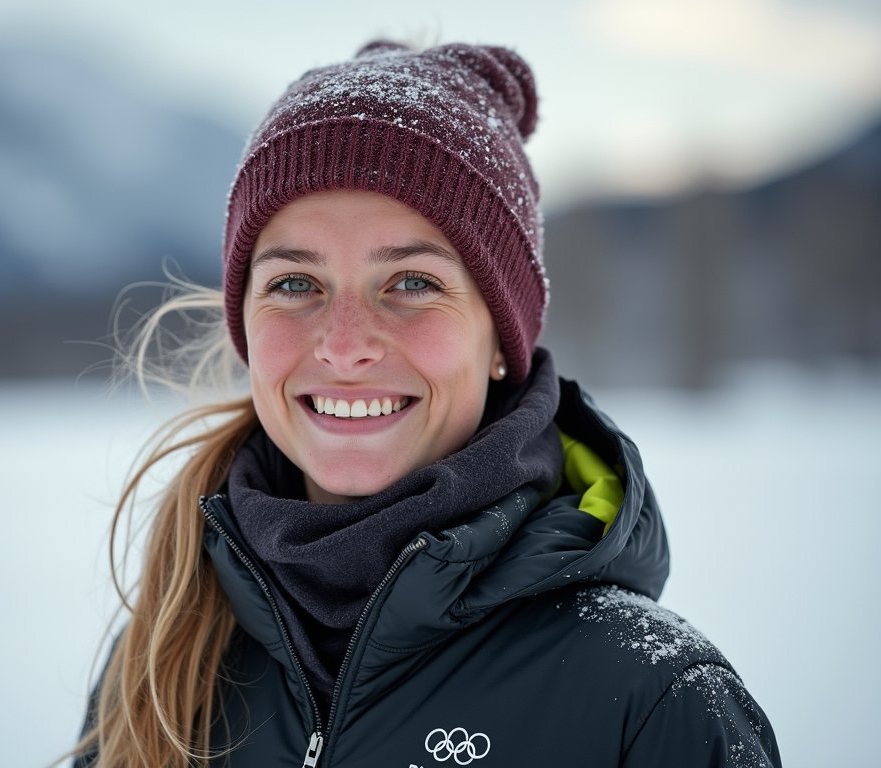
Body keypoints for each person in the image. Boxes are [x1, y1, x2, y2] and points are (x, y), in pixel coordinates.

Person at [72, 41, 781, 767]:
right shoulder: (165, 659)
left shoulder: (650, 698)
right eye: (294, 284)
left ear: (501, 338)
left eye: (411, 282)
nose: (344, 346)